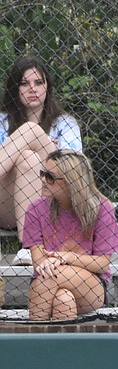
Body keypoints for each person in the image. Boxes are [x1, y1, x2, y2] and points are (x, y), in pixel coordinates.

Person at [22, 150, 118, 321]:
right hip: (47, 277)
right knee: (64, 299)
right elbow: (39, 263)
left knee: (50, 278)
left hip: (90, 284)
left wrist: (65, 257)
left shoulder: (101, 207)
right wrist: (54, 263)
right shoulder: (35, 209)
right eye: (43, 173)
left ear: (71, 182)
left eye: (50, 177)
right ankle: (60, 347)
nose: (43, 181)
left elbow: (102, 264)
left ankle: (33, 342)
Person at [0, 54, 82, 244]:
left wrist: (37, 142)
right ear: (15, 88)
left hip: (54, 203)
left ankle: (27, 247)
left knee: (30, 149)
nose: (32, 89)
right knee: (29, 156)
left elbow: (77, 173)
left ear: (47, 87)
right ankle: (29, 247)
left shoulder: (65, 124)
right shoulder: (2, 123)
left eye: (38, 82)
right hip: (5, 205)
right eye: (24, 83)